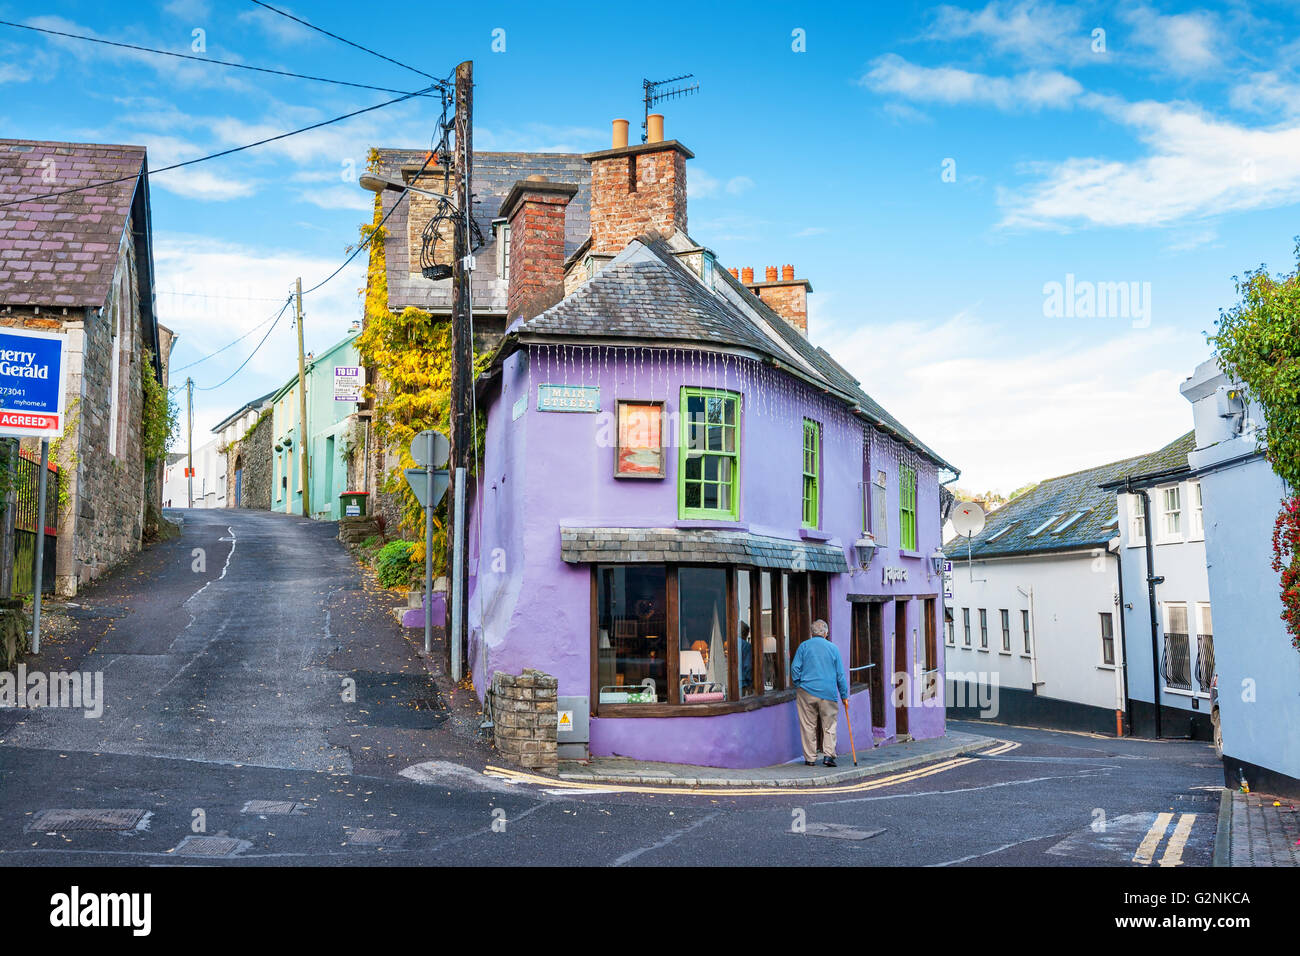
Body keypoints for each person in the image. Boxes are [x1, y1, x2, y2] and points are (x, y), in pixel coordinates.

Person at [790, 619, 848, 767]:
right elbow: (840, 674)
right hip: (828, 693)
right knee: (829, 725)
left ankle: (810, 758)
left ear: (812, 632)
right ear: (826, 633)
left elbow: (795, 668)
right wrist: (844, 695)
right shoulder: (833, 648)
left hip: (806, 691)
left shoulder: (804, 646)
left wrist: (799, 683)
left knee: (808, 725)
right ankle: (828, 756)